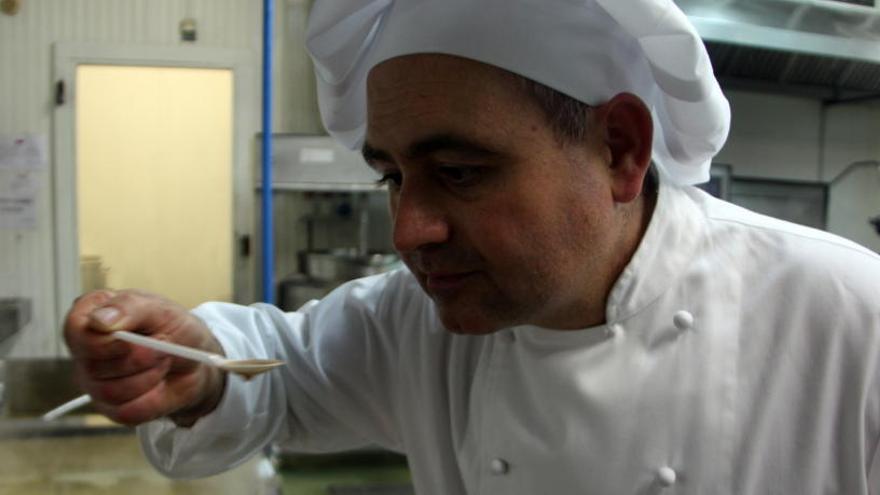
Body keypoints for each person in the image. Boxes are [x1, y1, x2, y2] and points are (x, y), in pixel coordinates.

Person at [64, 0, 880, 493]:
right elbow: (277, 370)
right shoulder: (415, 321)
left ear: (621, 150)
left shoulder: (849, 321)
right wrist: (197, 364)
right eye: (392, 176)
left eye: (459, 171)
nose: (409, 230)